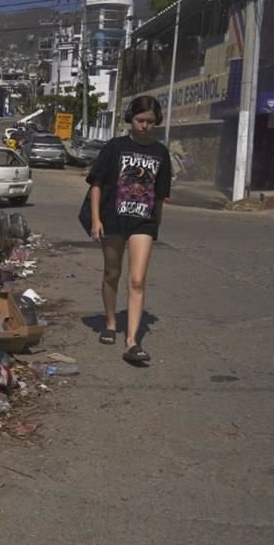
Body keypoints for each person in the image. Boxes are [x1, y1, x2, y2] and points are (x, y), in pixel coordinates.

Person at [86, 95, 172, 365]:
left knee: (137, 280)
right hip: (112, 219)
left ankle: (133, 341)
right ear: (130, 120)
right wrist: (95, 219)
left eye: (150, 121)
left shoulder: (160, 152)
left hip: (143, 222)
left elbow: (160, 195)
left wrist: (156, 224)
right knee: (112, 272)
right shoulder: (115, 147)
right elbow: (97, 184)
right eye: (140, 120)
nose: (145, 125)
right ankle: (111, 322)